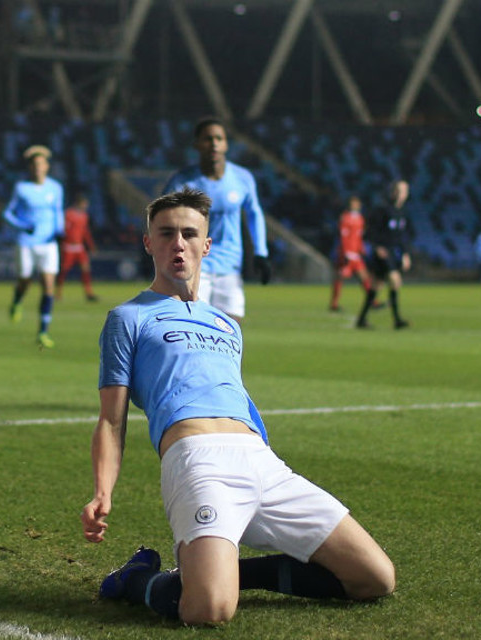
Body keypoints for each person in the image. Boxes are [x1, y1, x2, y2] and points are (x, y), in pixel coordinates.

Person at [80, 188, 394, 625]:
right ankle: (139, 580)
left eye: (190, 234)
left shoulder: (226, 324)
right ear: (148, 243)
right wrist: (102, 491)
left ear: (207, 245)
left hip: (262, 462)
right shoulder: (127, 318)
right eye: (166, 233)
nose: (178, 243)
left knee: (375, 578)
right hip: (197, 462)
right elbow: (111, 422)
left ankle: (216, 572)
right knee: (209, 610)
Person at [162, 116, 271, 324]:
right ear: (196, 144)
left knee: (231, 333)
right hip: (193, 266)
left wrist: (261, 253)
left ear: (226, 144)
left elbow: (254, 213)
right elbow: (161, 218)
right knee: (192, 330)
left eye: (219, 138)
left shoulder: (242, 178)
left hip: (230, 267)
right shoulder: (183, 181)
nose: (213, 143)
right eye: (207, 138)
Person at [3, 144, 64, 348]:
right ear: (30, 168)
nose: (38, 168)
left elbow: (58, 212)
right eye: (34, 164)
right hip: (26, 243)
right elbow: (8, 213)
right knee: (25, 281)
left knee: (48, 286)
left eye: (41, 164)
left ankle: (43, 331)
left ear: (47, 166)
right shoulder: (22, 188)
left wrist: (60, 231)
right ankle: (17, 300)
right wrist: (23, 225)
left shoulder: (55, 188)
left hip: (48, 244)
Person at [356, 179, 411, 330]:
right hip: (383, 253)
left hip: (393, 253)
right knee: (395, 280)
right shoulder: (382, 210)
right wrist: (376, 247)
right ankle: (397, 320)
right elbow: (369, 232)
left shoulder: (401, 212)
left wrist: (406, 254)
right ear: (394, 192)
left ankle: (361, 319)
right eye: (401, 190)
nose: (403, 194)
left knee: (376, 286)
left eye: (405, 191)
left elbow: (402, 236)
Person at [328, 195, 373, 312]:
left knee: (364, 277)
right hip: (347, 254)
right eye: (353, 203)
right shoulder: (345, 218)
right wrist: (345, 253)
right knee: (340, 276)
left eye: (357, 203)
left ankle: (372, 301)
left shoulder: (360, 219)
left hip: (356, 254)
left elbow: (359, 237)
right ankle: (334, 303)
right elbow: (343, 236)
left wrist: (361, 249)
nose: (356, 205)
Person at [55, 193, 99, 302]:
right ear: (78, 203)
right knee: (64, 271)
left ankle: (89, 293)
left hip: (79, 247)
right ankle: (58, 293)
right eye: (84, 204)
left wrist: (91, 245)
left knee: (86, 268)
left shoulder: (84, 216)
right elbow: (63, 230)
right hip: (68, 247)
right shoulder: (68, 214)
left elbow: (85, 232)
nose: (85, 207)